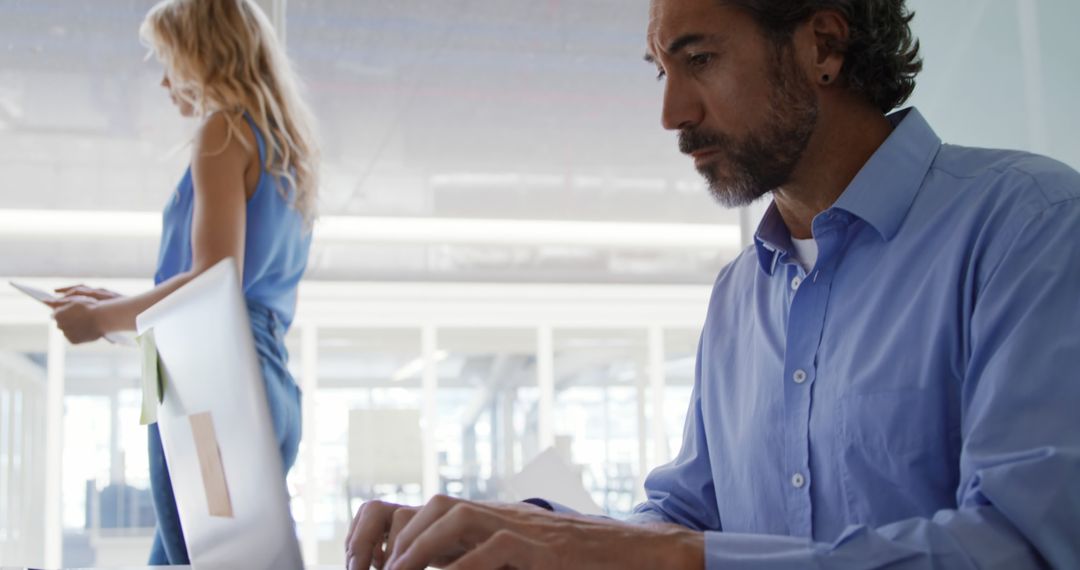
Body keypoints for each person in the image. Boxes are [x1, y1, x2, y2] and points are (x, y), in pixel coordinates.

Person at [344, 0, 1080, 568]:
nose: (672, 114)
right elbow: (688, 517)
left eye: (699, 59)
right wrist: (512, 532)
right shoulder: (741, 295)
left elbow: (1025, 547)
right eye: (662, 71)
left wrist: (665, 558)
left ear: (823, 45)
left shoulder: (1028, 227)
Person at [48, 0, 320, 564]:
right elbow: (225, 283)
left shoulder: (223, 132)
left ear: (202, 55)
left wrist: (100, 318)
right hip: (263, 378)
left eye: (168, 59)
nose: (166, 79)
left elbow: (212, 283)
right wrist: (119, 307)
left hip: (203, 378)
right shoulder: (286, 149)